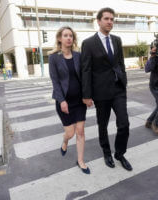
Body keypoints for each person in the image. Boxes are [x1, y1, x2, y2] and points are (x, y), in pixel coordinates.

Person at [81, 7, 132, 171]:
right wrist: (86, 95)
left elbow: (120, 63)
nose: (110, 21)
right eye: (106, 19)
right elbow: (86, 70)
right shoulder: (88, 43)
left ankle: (120, 153)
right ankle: (107, 152)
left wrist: (123, 79)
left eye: (112, 19)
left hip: (118, 89)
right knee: (102, 125)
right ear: (98, 21)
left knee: (124, 123)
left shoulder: (117, 40)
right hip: (100, 92)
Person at [49, 26, 90, 174]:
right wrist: (62, 101)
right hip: (64, 101)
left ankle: (80, 161)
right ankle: (65, 141)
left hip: (79, 101)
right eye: (65, 35)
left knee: (80, 132)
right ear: (60, 38)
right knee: (71, 133)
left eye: (71, 36)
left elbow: (85, 77)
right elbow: (55, 82)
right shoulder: (53, 57)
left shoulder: (78, 56)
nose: (68, 38)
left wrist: (88, 96)